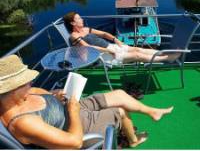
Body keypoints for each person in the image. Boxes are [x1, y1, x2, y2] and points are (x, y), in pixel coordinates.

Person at [0, 55, 174, 149]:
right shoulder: (23, 122)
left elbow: (47, 96)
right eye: (26, 82)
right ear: (12, 89)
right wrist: (74, 111)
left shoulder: (27, 93)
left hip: (69, 108)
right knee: (119, 111)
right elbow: (74, 142)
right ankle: (133, 141)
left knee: (119, 94)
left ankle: (152, 111)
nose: (31, 83)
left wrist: (56, 95)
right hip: (75, 125)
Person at [63, 12, 180, 64]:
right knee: (137, 56)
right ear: (73, 23)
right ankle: (166, 58)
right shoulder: (74, 36)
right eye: (79, 18)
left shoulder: (86, 29)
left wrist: (116, 40)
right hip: (102, 56)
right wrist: (109, 50)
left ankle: (163, 53)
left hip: (111, 47)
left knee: (138, 49)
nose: (81, 19)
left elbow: (104, 34)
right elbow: (89, 47)